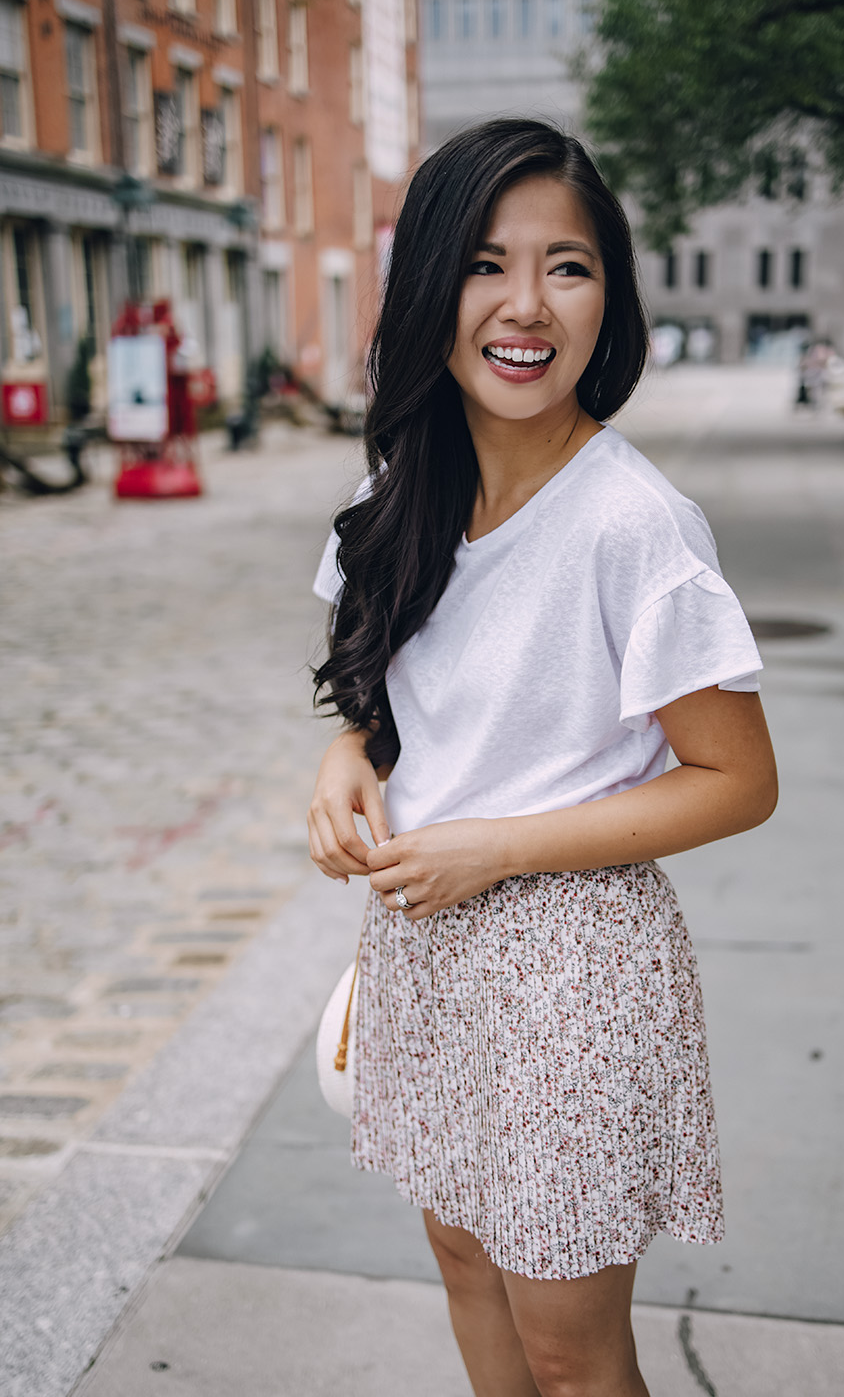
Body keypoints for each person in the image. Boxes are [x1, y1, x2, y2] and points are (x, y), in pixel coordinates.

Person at [308, 119, 777, 1397]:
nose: (525, 305)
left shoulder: (634, 523)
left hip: (573, 969)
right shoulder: (398, 491)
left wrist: (496, 846)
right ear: (427, 289)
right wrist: (348, 758)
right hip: (424, 946)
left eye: (566, 265)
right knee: (460, 1259)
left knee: (572, 1351)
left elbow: (738, 778)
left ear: (609, 295)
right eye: (484, 263)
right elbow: (380, 685)